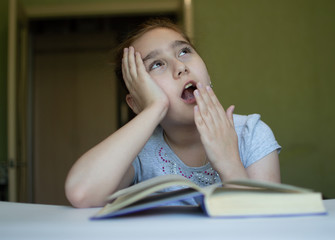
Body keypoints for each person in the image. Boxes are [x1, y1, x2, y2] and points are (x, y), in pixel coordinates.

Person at [65, 18, 281, 208]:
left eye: (184, 51)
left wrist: (229, 163)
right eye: (157, 64)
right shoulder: (139, 152)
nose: (180, 66)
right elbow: (81, 193)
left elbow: (266, 227)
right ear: (136, 103)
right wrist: (153, 108)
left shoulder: (251, 133)